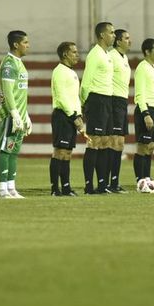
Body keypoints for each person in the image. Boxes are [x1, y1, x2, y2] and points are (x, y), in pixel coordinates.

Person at [80, 22, 116, 194]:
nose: (114, 35)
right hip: (96, 100)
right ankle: (88, 186)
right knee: (93, 142)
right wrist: (84, 103)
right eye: (111, 32)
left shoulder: (107, 54)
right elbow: (86, 82)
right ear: (102, 35)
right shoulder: (95, 54)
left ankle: (102, 185)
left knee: (104, 142)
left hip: (107, 100)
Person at [0, 30, 31, 199]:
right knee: (5, 150)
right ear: (16, 44)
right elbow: (8, 91)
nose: (28, 45)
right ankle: (3, 189)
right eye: (25, 42)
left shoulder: (20, 64)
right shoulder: (9, 64)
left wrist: (26, 116)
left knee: (14, 151)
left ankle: (11, 188)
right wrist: (14, 113)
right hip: (10, 115)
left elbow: (21, 92)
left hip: (20, 115)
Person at [49, 41, 84, 196]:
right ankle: (55, 189)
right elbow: (61, 97)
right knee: (60, 152)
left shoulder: (71, 72)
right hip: (63, 115)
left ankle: (66, 187)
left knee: (67, 153)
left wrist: (79, 115)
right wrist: (73, 115)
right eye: (74, 52)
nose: (77, 55)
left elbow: (74, 97)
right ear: (65, 54)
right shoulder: (60, 71)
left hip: (72, 115)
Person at [133, 38, 154, 190]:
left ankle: (147, 177)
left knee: (151, 146)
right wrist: (146, 114)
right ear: (147, 52)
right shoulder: (142, 68)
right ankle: (140, 180)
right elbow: (139, 94)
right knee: (143, 147)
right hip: (144, 110)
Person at [107, 29, 131, 193]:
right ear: (118, 41)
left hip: (122, 102)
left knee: (120, 144)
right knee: (113, 142)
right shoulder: (112, 56)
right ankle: (108, 183)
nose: (130, 41)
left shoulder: (124, 58)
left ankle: (114, 182)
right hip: (114, 101)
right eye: (126, 38)